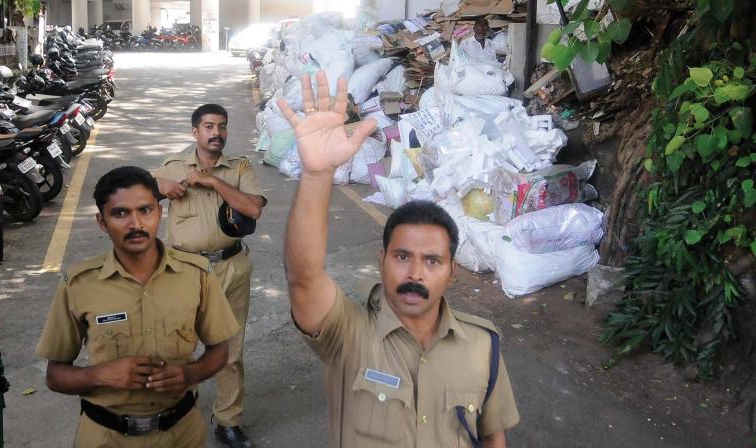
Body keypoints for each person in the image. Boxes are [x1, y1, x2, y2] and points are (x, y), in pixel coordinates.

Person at [278, 72, 520, 447]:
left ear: (452, 271)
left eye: (433, 261)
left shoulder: (482, 346)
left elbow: (492, 436)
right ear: (382, 261)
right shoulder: (350, 335)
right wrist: (316, 174)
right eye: (402, 256)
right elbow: (304, 278)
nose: (415, 273)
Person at [35, 166, 241, 447]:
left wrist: (189, 374)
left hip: (182, 435)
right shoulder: (79, 284)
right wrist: (99, 375)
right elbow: (55, 375)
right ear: (102, 222)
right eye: (120, 213)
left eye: (146, 210)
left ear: (160, 212)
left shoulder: (197, 274)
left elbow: (219, 350)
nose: (136, 224)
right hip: (105, 438)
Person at [153, 104, 267, 448]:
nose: (216, 132)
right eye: (208, 126)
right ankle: (178, 415)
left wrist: (212, 182)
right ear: (195, 132)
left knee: (230, 350)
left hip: (231, 267)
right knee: (178, 346)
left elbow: (254, 208)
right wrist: (163, 186)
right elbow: (141, 190)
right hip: (183, 270)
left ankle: (228, 421)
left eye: (221, 126)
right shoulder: (173, 165)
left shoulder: (239, 167)